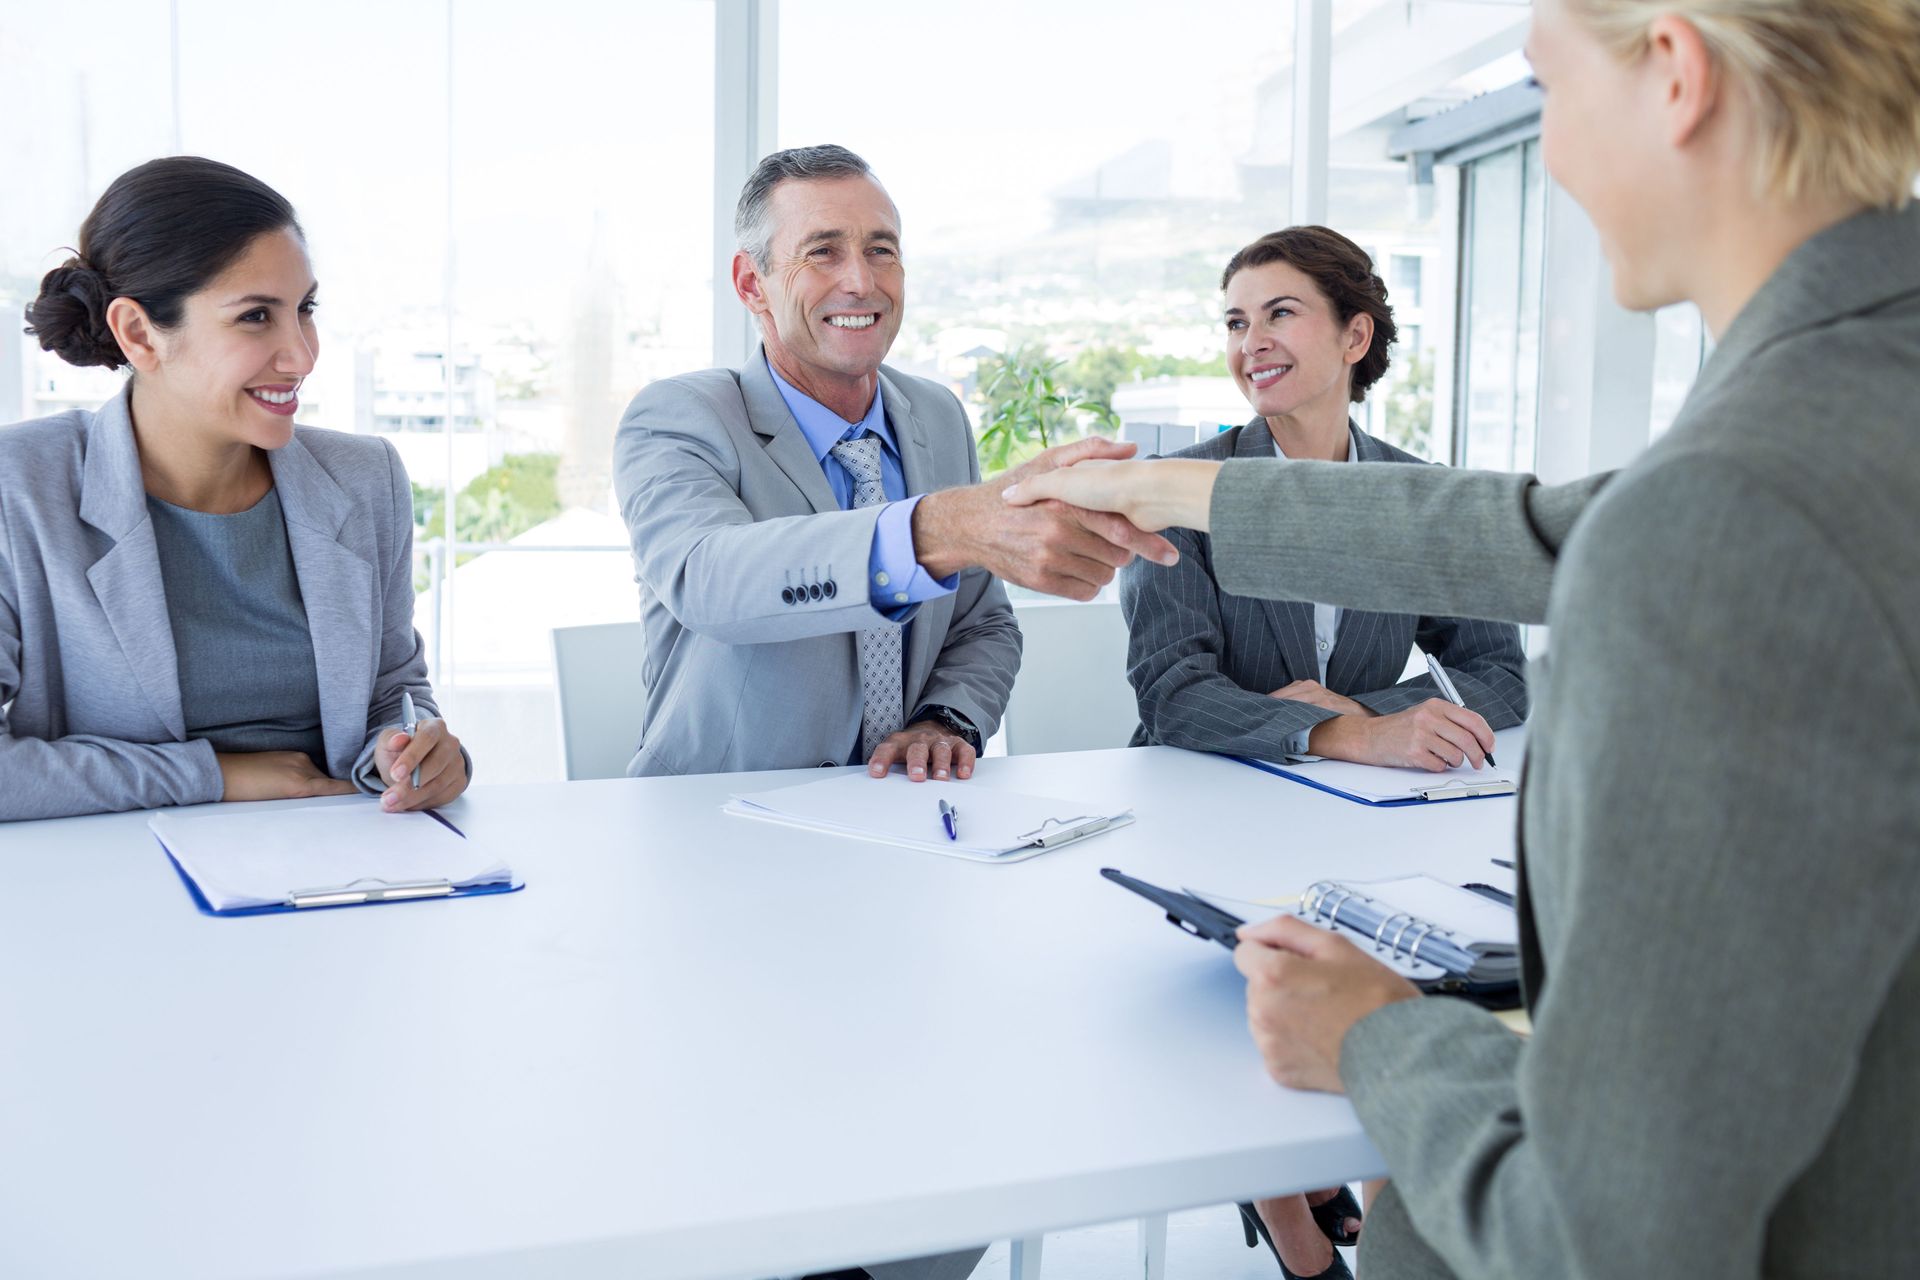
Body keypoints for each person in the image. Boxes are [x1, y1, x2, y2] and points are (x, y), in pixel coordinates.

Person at [1004, 0, 1920, 1274]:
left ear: (1675, 74)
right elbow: (1552, 531)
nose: (1543, 157)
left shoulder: (1746, 504)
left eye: (1546, 93)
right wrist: (1171, 492)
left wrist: (1377, 1032)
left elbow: (1601, 1229)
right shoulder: (1862, 390)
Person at [613, 144, 1175, 785]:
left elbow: (982, 621)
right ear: (751, 283)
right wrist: (940, 528)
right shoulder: (680, 415)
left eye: (881, 250)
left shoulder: (935, 414)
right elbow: (711, 581)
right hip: (715, 821)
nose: (861, 280)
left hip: (903, 815)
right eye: (822, 251)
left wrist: (946, 720)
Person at [1, 156, 467, 823]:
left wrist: (409, 753)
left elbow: (392, 689)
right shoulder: (20, 487)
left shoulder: (366, 479)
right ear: (138, 334)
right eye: (255, 317)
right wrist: (214, 777)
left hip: (344, 857)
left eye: (304, 310)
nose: (302, 355)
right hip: (118, 876)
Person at [1121, 226, 1527, 781]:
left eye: (1280, 314)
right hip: (1203, 789)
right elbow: (1172, 692)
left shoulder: (1422, 497)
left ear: (1354, 337)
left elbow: (1500, 672)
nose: (1250, 343)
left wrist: (1366, 712)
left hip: (1358, 794)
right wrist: (1347, 734)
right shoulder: (1176, 489)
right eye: (1236, 323)